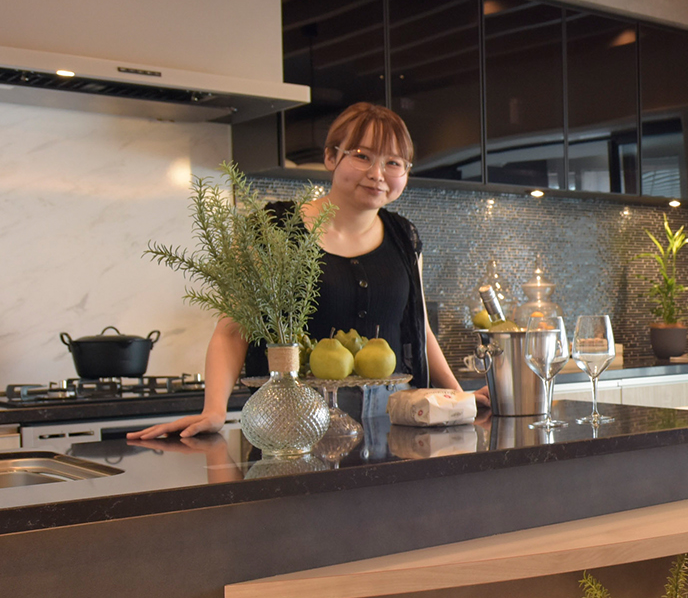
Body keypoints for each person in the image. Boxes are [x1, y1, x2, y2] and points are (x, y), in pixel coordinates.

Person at [131, 103, 471, 441]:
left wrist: (459, 398)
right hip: (294, 424)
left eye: (393, 162)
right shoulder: (274, 229)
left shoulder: (404, 237)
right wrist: (214, 411)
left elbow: (420, 328)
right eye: (362, 156)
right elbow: (232, 330)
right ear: (330, 157)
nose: (377, 173)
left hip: (393, 426)